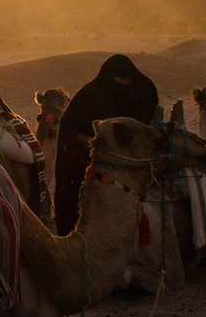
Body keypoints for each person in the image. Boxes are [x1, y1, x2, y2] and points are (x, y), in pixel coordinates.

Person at [54, 54, 158, 236]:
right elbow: (68, 125)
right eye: (120, 79)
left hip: (125, 161)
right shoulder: (88, 95)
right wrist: (83, 140)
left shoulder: (135, 96)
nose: (125, 83)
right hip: (86, 160)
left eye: (127, 79)